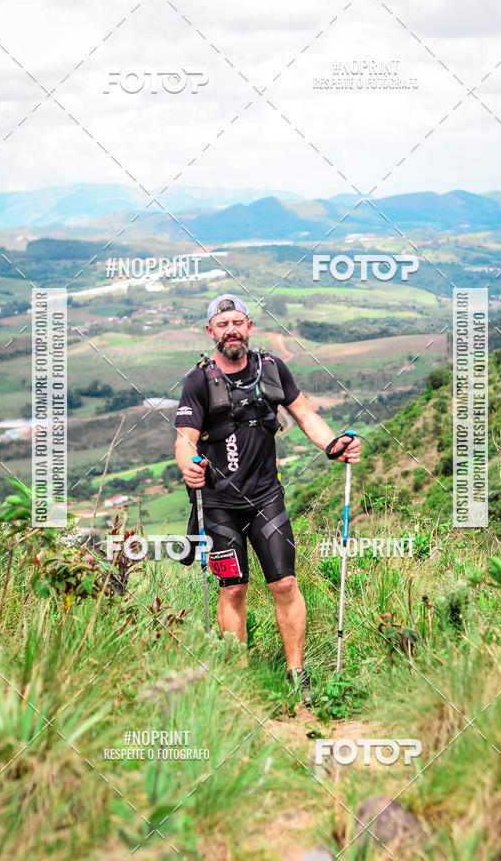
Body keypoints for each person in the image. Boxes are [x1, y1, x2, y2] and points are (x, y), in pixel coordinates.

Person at [174, 294, 360, 703]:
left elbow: (305, 414)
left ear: (249, 326)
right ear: (211, 332)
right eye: (222, 325)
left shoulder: (272, 370)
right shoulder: (198, 381)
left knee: (285, 582)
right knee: (233, 590)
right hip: (219, 503)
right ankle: (239, 681)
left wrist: (334, 444)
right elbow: (184, 441)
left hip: (266, 499)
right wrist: (188, 465)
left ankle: (297, 673)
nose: (231, 330)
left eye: (237, 322)